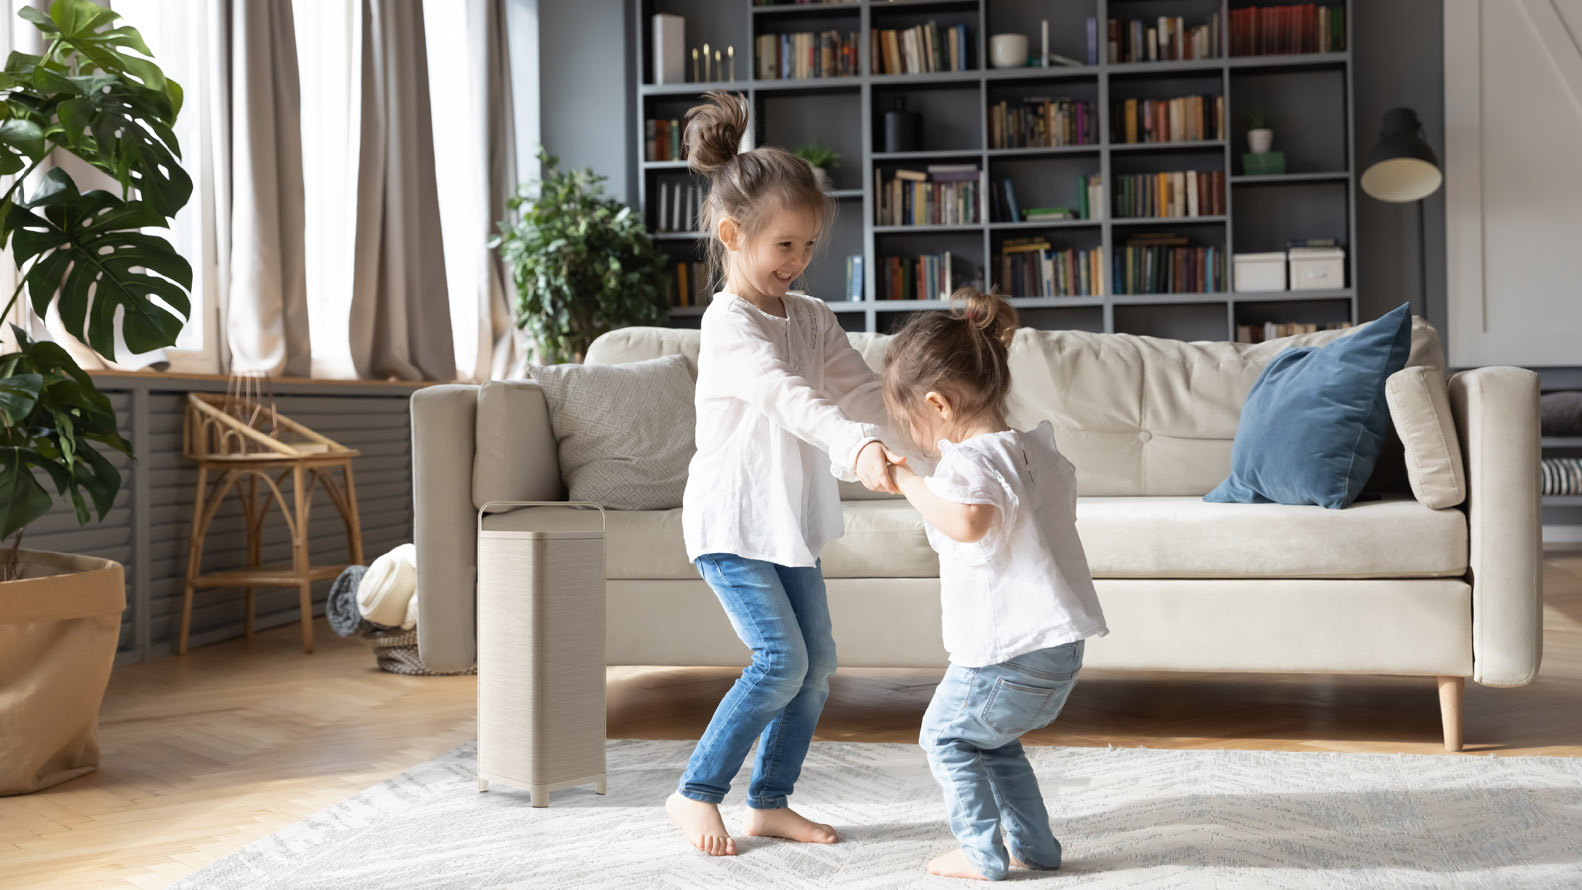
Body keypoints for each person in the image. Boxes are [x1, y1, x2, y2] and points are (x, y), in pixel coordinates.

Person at [665, 90, 896, 857]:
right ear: (732, 235)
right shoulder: (728, 324)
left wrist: (922, 438)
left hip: (786, 522)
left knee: (817, 665)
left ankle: (768, 802)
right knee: (781, 659)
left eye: (809, 246)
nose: (798, 262)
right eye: (784, 245)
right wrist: (854, 448)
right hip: (732, 524)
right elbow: (790, 398)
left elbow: (860, 389)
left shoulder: (813, 316)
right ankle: (695, 792)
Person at [881, 288, 1109, 881]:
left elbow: (968, 522)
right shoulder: (1032, 452)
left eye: (913, 424)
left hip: (1007, 651)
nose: (918, 440)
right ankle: (1036, 847)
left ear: (938, 403)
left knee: (945, 736)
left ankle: (981, 853)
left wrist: (910, 484)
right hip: (1058, 647)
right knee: (992, 740)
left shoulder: (970, 460)